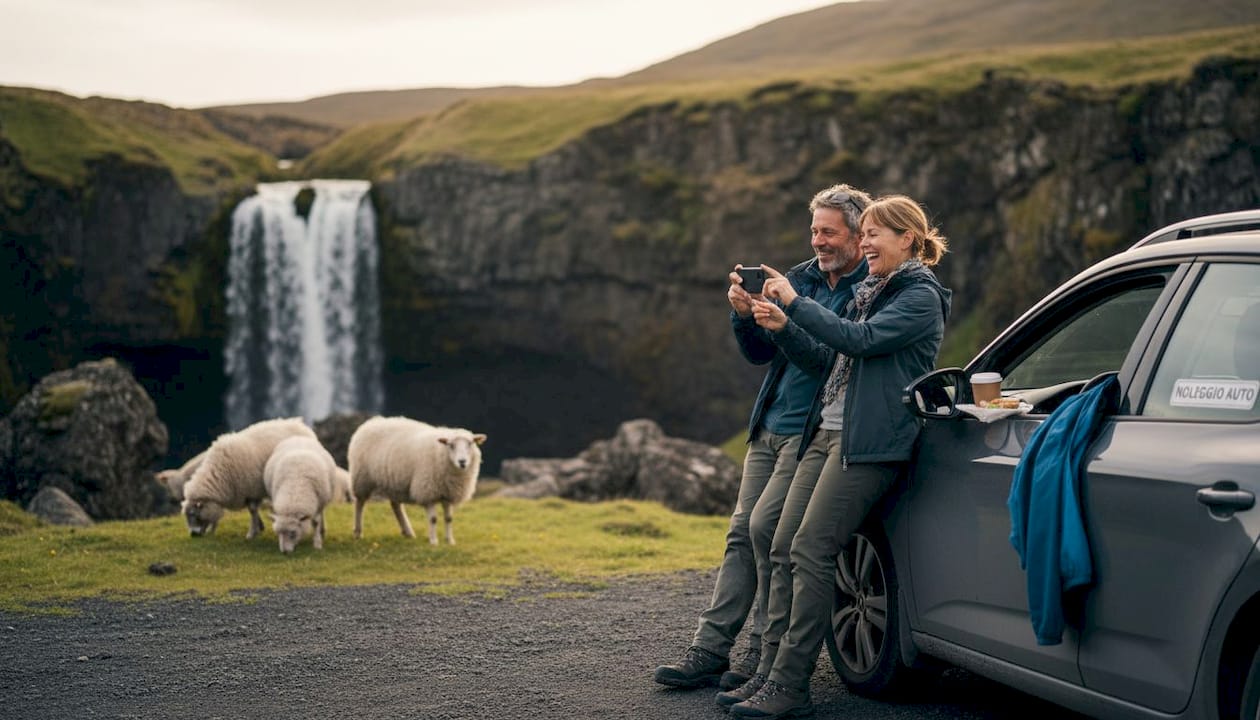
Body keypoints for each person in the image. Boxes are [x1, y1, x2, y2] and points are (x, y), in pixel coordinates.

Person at [723, 195, 951, 718]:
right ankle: (767, 673)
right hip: (827, 433)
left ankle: (790, 685)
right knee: (781, 543)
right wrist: (781, 327)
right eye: (863, 233)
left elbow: (861, 341)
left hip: (868, 445)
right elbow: (827, 359)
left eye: (874, 234)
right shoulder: (870, 291)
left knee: (810, 549)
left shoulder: (920, 296)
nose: (865, 243)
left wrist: (796, 305)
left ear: (907, 240)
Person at [652, 184, 872, 691]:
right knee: (741, 534)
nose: (818, 241)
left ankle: (760, 653)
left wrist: (785, 323)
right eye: (814, 230)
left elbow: (828, 362)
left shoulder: (865, 292)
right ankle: (710, 649)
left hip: (810, 433)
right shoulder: (800, 277)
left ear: (858, 235)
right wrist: (743, 315)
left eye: (829, 232)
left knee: (767, 534)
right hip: (768, 425)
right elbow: (759, 355)